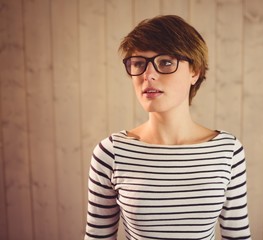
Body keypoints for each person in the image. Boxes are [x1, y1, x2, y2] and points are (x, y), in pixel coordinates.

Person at [85, 15, 251, 240]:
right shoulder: (111, 153)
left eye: (165, 62)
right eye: (138, 63)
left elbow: (238, 237)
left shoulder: (228, 151)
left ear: (195, 71)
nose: (148, 75)